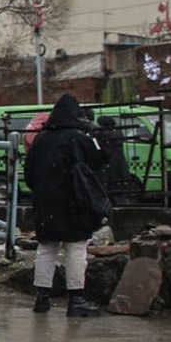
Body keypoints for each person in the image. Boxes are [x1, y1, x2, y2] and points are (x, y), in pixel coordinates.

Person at [25, 93, 109, 317]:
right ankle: (76, 299)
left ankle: (41, 297)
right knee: (75, 248)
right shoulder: (78, 137)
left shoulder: (41, 139)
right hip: (73, 202)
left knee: (46, 248)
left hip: (45, 202)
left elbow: (29, 173)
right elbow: (100, 158)